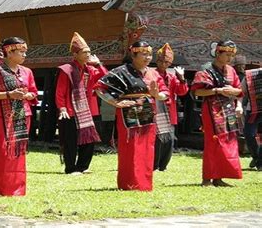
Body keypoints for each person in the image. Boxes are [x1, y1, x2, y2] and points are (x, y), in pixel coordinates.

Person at [94, 41, 168, 191]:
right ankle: (129, 183)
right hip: (128, 113)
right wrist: (114, 102)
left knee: (147, 147)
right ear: (133, 55)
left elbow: (165, 93)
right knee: (131, 147)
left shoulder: (153, 73)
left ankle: (144, 184)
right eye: (144, 54)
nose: (148, 57)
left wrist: (156, 95)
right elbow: (99, 87)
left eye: (149, 54)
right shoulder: (121, 72)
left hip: (148, 112)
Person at [0, 37, 38, 196]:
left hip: (22, 115)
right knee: (2, 151)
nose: (25, 55)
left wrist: (29, 95)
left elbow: (33, 91)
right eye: (21, 52)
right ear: (9, 53)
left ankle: (17, 189)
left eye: (25, 51)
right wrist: (9, 94)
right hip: (1, 117)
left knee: (19, 151)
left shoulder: (27, 72)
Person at [191, 40, 243, 187]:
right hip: (212, 110)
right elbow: (197, 91)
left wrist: (238, 105)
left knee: (228, 142)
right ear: (218, 53)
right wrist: (216, 90)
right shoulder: (206, 70)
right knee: (213, 142)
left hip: (229, 109)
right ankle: (207, 178)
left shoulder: (231, 70)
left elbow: (239, 91)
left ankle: (219, 177)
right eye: (227, 55)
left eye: (231, 55)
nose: (229, 58)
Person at [55, 32, 107, 175]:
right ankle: (71, 168)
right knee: (71, 141)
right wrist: (62, 108)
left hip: (88, 110)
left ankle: (83, 166)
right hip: (71, 109)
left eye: (89, 52)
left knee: (89, 139)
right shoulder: (67, 70)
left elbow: (105, 78)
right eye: (85, 52)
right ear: (75, 54)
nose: (88, 55)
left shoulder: (90, 69)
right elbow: (60, 91)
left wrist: (99, 64)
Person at [153, 43, 188, 171]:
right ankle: (155, 165)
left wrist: (182, 78)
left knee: (169, 139)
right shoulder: (151, 73)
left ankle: (163, 165)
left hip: (169, 111)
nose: (163, 64)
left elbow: (181, 91)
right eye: (161, 61)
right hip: (156, 110)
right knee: (157, 139)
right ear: (157, 61)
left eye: (167, 62)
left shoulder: (172, 77)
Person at [241, 67, 262, 171]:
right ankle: (256, 156)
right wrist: (239, 106)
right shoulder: (250, 75)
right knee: (249, 133)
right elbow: (241, 92)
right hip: (253, 109)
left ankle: (260, 162)